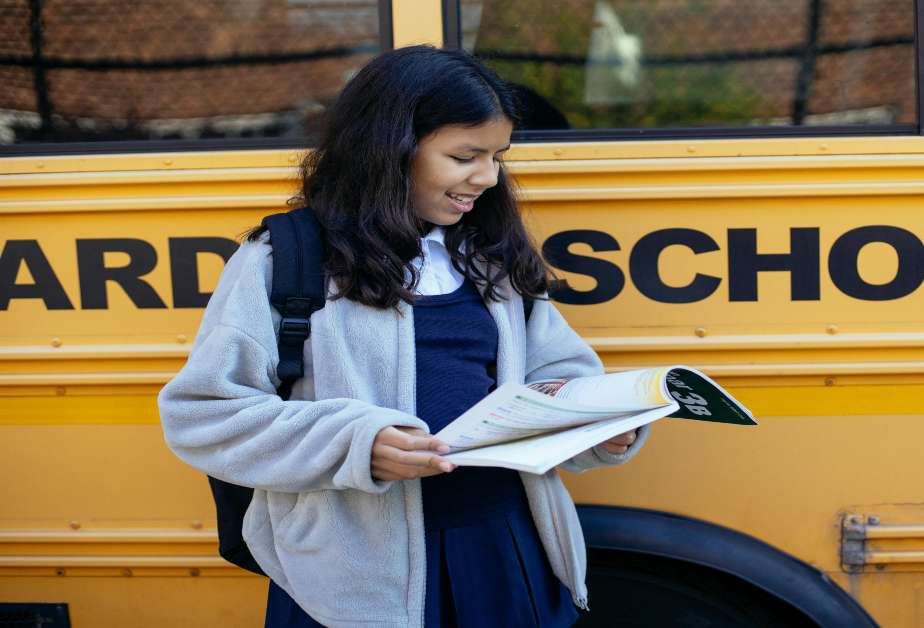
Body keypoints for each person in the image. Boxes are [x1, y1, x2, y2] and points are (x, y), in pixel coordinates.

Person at [158, 45, 649, 628]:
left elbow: (552, 375)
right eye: (465, 155)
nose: (488, 178)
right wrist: (357, 443)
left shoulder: (489, 253)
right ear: (390, 148)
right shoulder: (284, 258)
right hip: (353, 576)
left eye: (498, 157)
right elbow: (202, 414)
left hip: (504, 546)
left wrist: (596, 426)